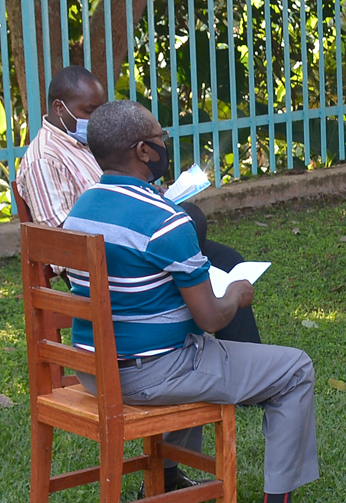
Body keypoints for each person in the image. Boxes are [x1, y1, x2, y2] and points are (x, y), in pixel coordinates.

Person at [63, 100, 337, 503]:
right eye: (160, 136)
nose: (164, 142)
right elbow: (211, 318)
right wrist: (235, 293)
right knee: (294, 369)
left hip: (95, 369)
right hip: (150, 373)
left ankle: (167, 475)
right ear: (143, 151)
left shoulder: (82, 209)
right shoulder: (165, 219)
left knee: (190, 344)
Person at [17, 65, 261, 344]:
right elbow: (62, 244)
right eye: (88, 111)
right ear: (60, 108)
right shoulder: (44, 159)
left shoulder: (84, 142)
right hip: (112, 265)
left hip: (139, 239)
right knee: (190, 227)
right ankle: (194, 353)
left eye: (100, 110)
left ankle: (236, 358)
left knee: (229, 265)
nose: (96, 119)